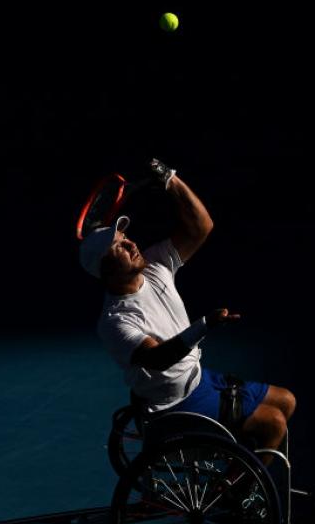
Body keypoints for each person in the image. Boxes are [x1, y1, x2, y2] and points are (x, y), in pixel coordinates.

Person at [79, 159, 296, 453]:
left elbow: (201, 226)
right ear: (106, 270)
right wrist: (204, 325)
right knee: (274, 423)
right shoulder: (115, 321)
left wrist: (169, 179)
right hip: (176, 404)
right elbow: (157, 358)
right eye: (117, 247)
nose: (130, 244)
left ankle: (237, 457)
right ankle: (235, 492)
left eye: (125, 237)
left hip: (199, 379)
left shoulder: (155, 265)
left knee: (287, 400)